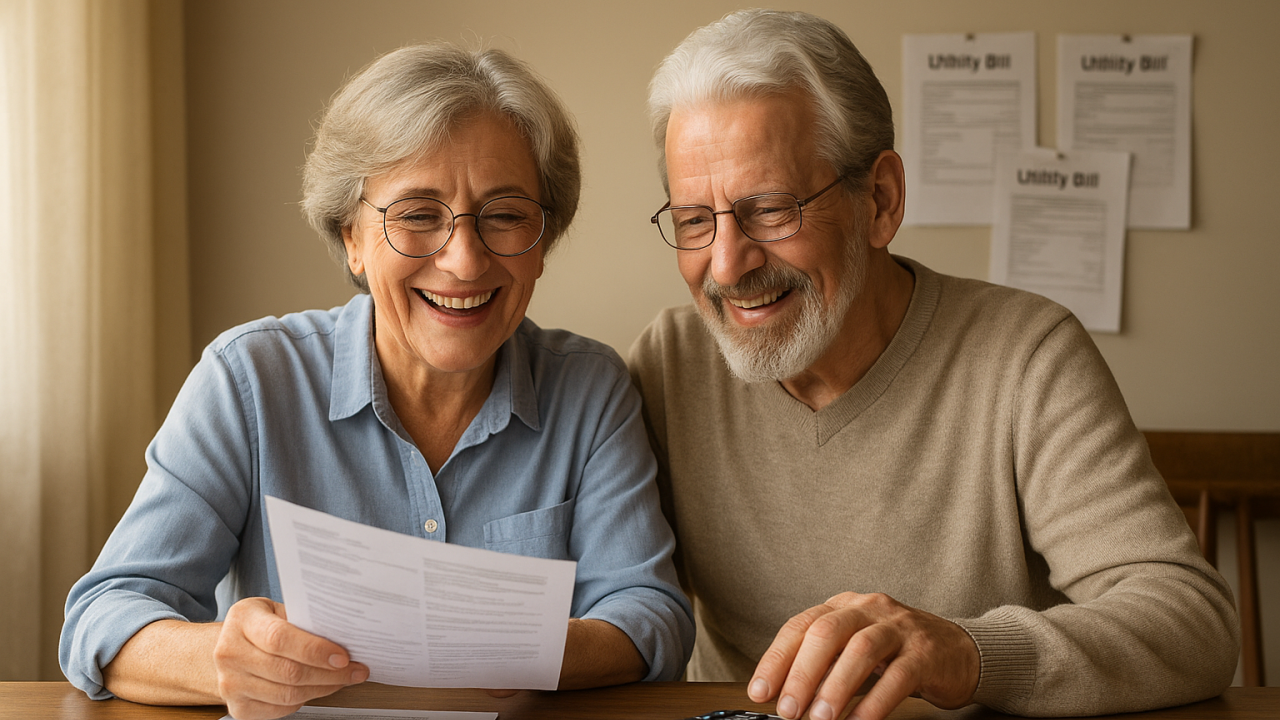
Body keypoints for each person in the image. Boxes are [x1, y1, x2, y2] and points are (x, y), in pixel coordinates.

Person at [629, 9, 1239, 720]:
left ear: (880, 201)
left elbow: (1194, 623)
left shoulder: (1026, 356)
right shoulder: (670, 364)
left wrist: (969, 653)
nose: (728, 264)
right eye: (695, 220)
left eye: (770, 209)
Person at [61, 43, 693, 720]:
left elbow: (650, 616)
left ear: (542, 240)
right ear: (352, 238)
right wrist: (222, 659)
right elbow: (104, 617)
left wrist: (514, 647)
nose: (464, 258)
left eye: (505, 215)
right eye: (418, 214)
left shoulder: (591, 390)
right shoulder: (249, 380)